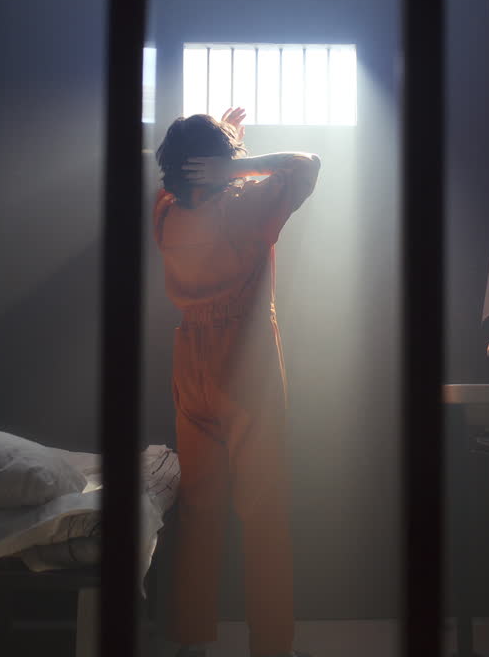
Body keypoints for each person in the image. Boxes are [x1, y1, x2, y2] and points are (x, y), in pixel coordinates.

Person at [153, 107, 320, 657]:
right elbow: (307, 164)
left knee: (200, 510)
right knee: (263, 513)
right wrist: (245, 161)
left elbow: (185, 180)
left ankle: (191, 641)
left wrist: (227, 147)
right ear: (221, 169)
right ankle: (271, 647)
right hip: (244, 363)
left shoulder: (165, 217)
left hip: (189, 363)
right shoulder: (245, 210)